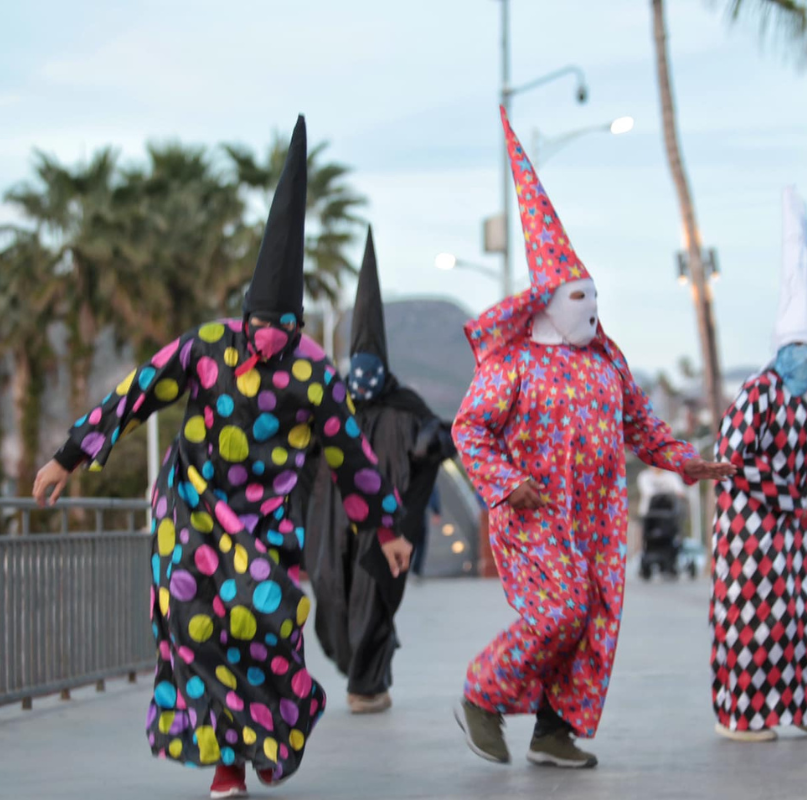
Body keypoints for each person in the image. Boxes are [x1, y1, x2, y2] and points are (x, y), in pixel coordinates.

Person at [32, 116, 412, 800]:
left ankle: (275, 727)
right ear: (245, 314)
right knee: (198, 632)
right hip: (191, 509)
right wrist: (68, 458)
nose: (269, 335)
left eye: (282, 326)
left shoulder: (314, 374)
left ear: (296, 324)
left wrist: (385, 529)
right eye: (260, 323)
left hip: (265, 521)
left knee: (262, 625)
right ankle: (228, 765)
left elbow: (351, 455)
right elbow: (134, 395)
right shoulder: (205, 348)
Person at [451, 108, 735, 769]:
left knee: (592, 619)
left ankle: (553, 730)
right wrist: (502, 485)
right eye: (579, 297)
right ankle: (481, 692)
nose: (592, 308)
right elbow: (469, 427)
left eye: (596, 297)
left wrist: (689, 463)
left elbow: (642, 424)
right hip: (534, 512)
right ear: (548, 299)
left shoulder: (607, 362)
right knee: (561, 611)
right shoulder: (511, 364)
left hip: (598, 514)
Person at [710, 187, 807, 742]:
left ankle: (802, 704)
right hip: (754, 535)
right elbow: (730, 458)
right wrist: (788, 500)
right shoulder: (757, 393)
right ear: (780, 351)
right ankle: (744, 714)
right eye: (796, 349)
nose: (805, 360)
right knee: (757, 621)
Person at [305, 228, 456, 716]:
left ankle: (366, 684)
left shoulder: (405, 403)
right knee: (329, 598)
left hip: (387, 523)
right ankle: (363, 667)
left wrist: (433, 440)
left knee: (373, 600)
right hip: (332, 519)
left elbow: (438, 442)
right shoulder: (331, 403)